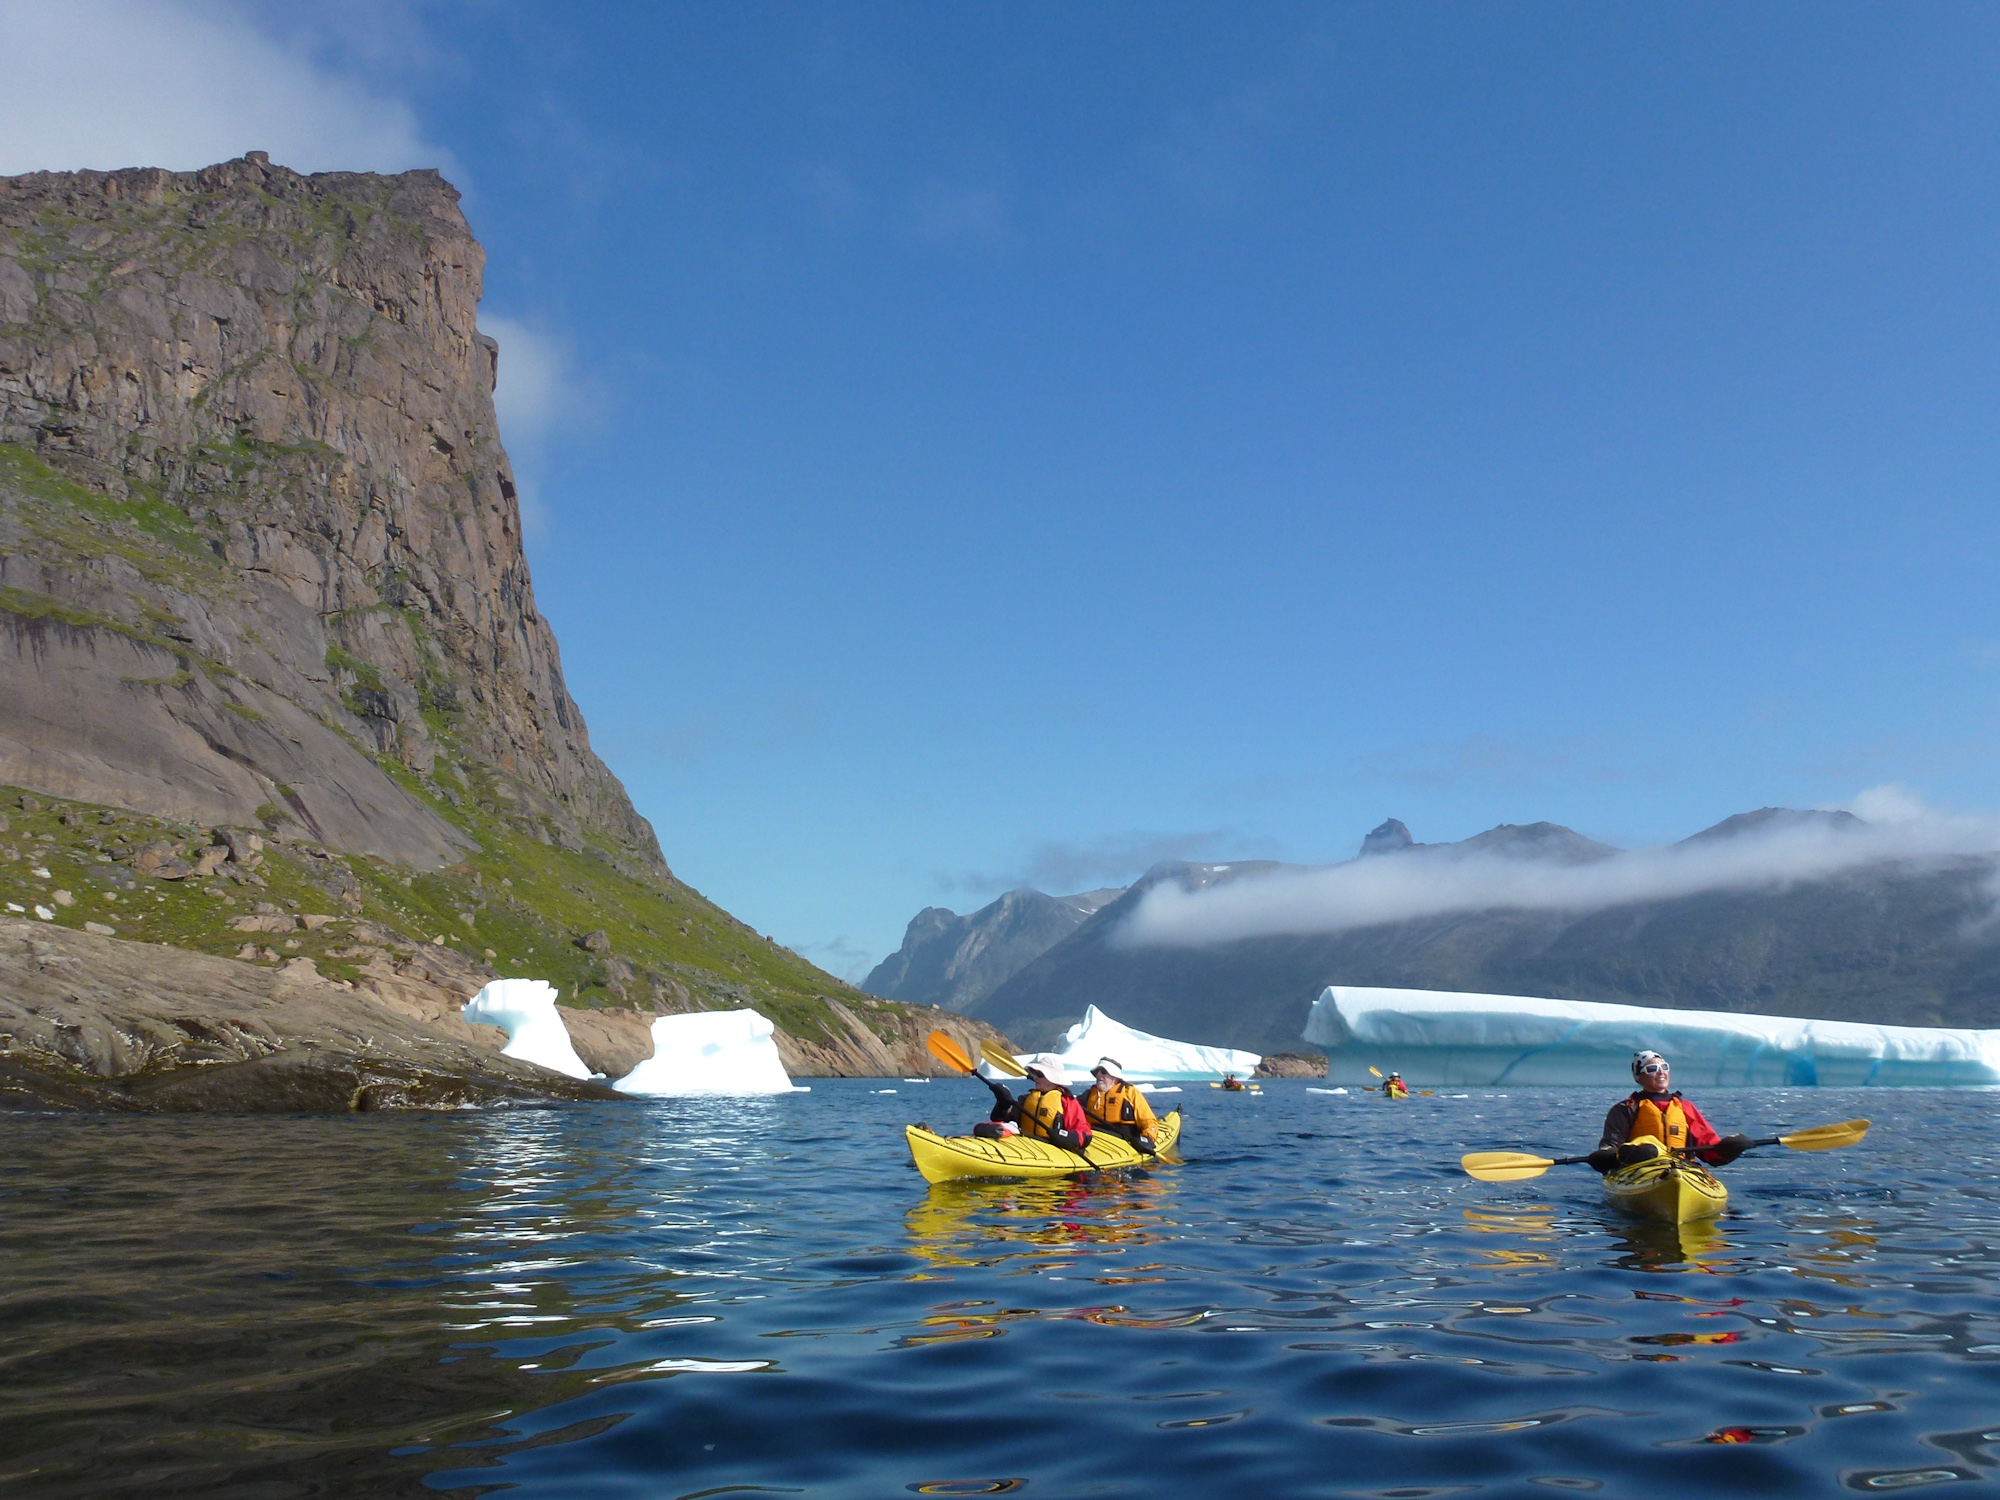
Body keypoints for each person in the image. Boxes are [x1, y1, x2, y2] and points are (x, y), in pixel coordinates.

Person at [1587, 1051, 1751, 1173]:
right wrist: (1621, 1155)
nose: (1661, 1072)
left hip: (1683, 1170)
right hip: (1639, 1171)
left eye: (1664, 1067)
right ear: (1639, 1077)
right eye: (1652, 1069)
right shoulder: (1625, 1109)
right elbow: (1609, 1149)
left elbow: (1710, 1151)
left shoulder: (1685, 1107)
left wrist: (1730, 1149)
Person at [1081, 1057, 1158, 1153]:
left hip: (1122, 1138)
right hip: (1096, 1137)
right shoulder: (1089, 1094)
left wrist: (1148, 1138)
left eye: (1104, 1071)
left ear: (1115, 1076)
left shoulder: (1130, 1092)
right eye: (1097, 1072)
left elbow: (1148, 1120)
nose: (1098, 1075)